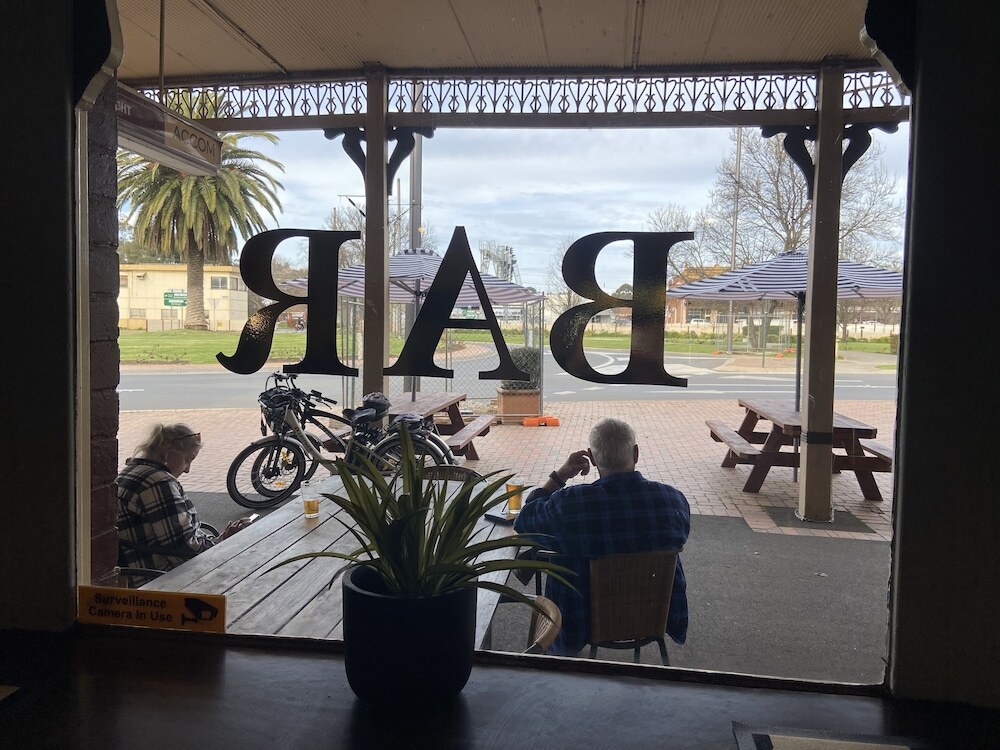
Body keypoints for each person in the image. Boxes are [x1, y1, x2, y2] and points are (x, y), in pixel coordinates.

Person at [513, 418, 690, 657]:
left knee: (560, 545)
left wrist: (561, 475)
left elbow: (524, 522)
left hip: (580, 618)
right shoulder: (672, 500)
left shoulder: (572, 504)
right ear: (636, 453)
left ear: (593, 459)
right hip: (651, 614)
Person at [117, 423, 254, 573]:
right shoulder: (158, 483)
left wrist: (221, 539)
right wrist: (224, 542)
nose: (187, 469)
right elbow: (185, 554)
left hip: (137, 567)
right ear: (167, 452)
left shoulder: (131, 471)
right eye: (187, 459)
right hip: (156, 575)